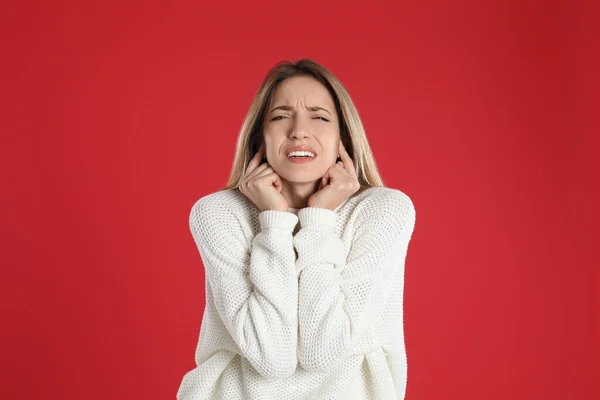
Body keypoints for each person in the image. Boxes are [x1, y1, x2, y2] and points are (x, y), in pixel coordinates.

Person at [177, 59, 416, 399]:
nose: (299, 130)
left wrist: (318, 220)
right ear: (261, 137)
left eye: (319, 116)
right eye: (280, 116)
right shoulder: (218, 213)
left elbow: (324, 351)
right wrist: (273, 224)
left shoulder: (382, 211)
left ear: (342, 139)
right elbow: (270, 357)